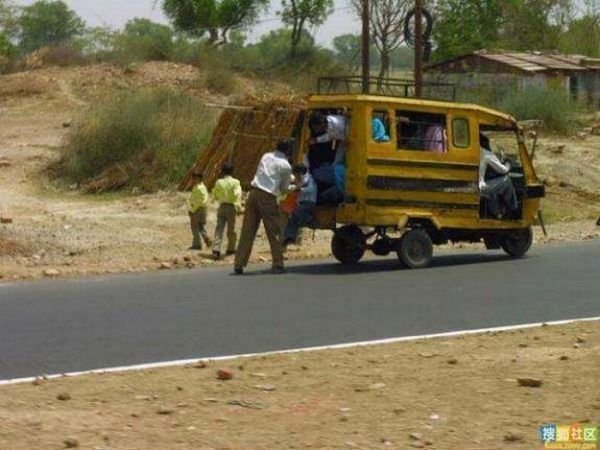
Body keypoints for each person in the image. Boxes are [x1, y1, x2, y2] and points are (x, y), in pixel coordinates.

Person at [234, 139, 294, 275]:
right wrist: (295, 187)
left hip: (253, 193)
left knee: (248, 230)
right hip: (268, 197)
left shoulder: (266, 156)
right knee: (274, 232)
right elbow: (284, 189)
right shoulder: (286, 165)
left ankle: (239, 263)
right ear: (289, 151)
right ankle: (278, 264)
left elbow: (270, 173)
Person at [479, 133, 518, 219]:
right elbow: (503, 170)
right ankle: (513, 208)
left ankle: (497, 213)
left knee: (494, 186)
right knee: (507, 181)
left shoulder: (475, 152)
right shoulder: (487, 155)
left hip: (478, 184)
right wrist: (508, 163)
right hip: (481, 187)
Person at [211, 163, 242, 260]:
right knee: (231, 229)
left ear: (223, 171)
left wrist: (216, 198)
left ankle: (216, 249)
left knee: (219, 228)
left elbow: (215, 194)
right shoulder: (236, 182)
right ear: (233, 171)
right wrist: (238, 207)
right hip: (231, 207)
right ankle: (231, 248)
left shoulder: (219, 182)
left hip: (222, 206)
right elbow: (238, 194)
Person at [283, 164, 317, 246]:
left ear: (300, 172)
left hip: (309, 202)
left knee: (295, 213)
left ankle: (310, 219)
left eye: (296, 173)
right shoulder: (300, 180)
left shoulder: (309, 179)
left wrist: (300, 189)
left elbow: (311, 189)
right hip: (301, 203)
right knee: (293, 219)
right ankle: (289, 237)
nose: (295, 175)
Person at [187, 170, 212, 250]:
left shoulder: (198, 188)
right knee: (200, 226)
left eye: (195, 179)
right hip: (203, 209)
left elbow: (199, 201)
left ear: (199, 179)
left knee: (194, 227)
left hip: (197, 209)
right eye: (193, 178)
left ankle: (197, 244)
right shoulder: (203, 187)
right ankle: (206, 238)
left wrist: (192, 210)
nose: (193, 180)